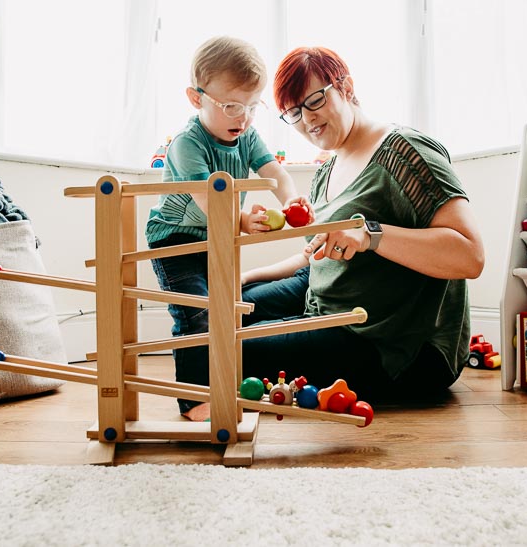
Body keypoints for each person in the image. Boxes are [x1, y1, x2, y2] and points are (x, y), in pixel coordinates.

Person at [180, 45, 485, 420]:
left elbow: (470, 256)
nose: (307, 120)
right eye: (294, 113)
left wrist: (371, 234)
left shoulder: (405, 151)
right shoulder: (329, 168)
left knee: (225, 348)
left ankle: (201, 406)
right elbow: (314, 257)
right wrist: (245, 278)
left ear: (346, 87)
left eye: (314, 101)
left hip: (389, 343)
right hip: (323, 302)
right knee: (225, 310)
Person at [145, 36, 312, 420]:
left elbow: (275, 173)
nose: (244, 117)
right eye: (233, 106)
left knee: (225, 310)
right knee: (195, 315)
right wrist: (239, 219)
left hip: (217, 239)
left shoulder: (247, 135)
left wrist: (289, 202)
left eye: (253, 107)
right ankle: (194, 401)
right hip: (176, 242)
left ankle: (224, 383)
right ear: (195, 98)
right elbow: (209, 201)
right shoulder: (186, 144)